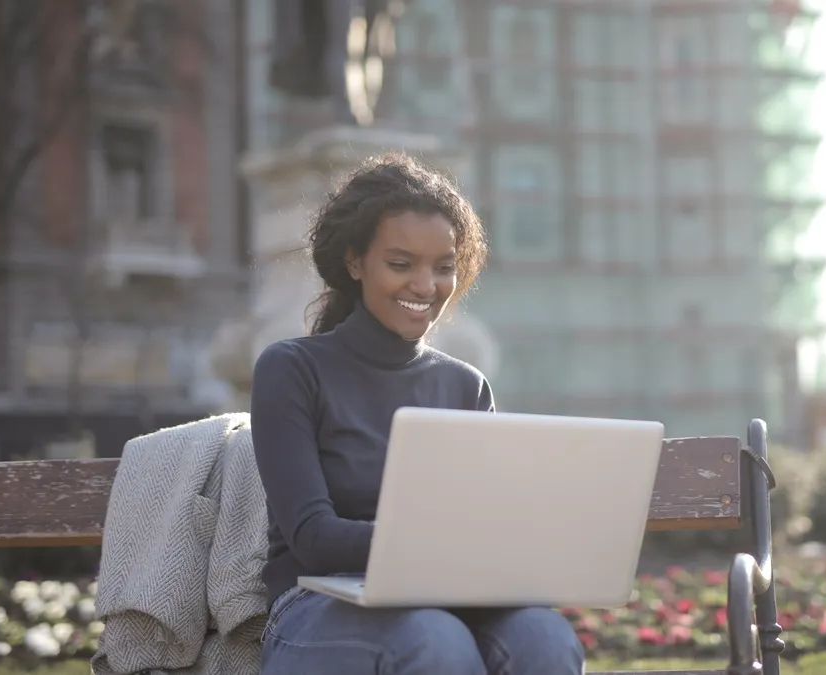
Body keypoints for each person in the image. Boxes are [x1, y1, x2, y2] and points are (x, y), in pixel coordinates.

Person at [250, 154, 585, 674]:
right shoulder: (293, 369)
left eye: (444, 267)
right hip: (315, 607)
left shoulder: (465, 385)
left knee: (544, 637)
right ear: (355, 262)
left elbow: (483, 524)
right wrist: (440, 547)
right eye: (401, 264)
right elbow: (314, 539)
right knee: (433, 640)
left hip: (442, 597)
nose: (426, 286)